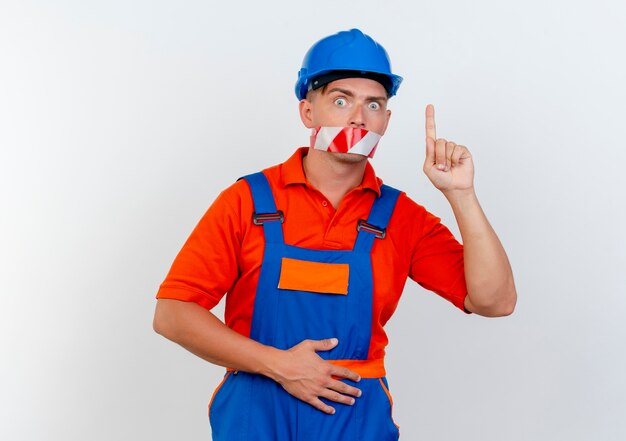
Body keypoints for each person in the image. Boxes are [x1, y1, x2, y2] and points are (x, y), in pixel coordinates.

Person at [153, 28, 516, 440]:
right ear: (308, 112)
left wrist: (461, 195)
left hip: (355, 419)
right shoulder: (247, 202)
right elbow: (173, 313)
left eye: (373, 104)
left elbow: (495, 301)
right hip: (254, 417)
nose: (358, 117)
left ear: (386, 120)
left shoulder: (401, 218)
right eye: (340, 100)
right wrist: (280, 365)